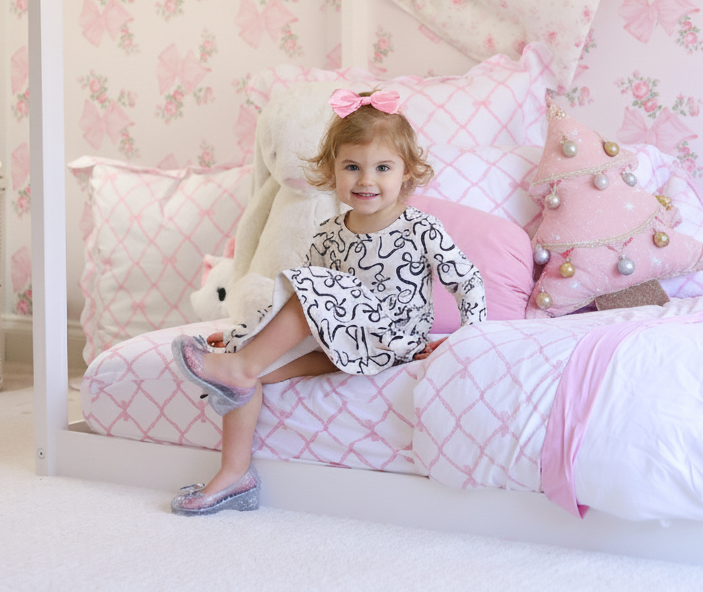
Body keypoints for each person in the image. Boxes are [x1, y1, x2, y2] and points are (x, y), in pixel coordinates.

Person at [170, 88, 487, 515]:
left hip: (390, 338)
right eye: (352, 167)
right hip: (343, 343)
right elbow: (301, 306)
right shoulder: (329, 232)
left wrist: (470, 339)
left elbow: (466, 280)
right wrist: (250, 332)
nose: (366, 180)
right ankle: (234, 473)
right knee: (253, 363)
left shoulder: (421, 229)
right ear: (331, 171)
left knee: (303, 294)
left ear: (406, 173)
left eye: (382, 167)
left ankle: (235, 368)